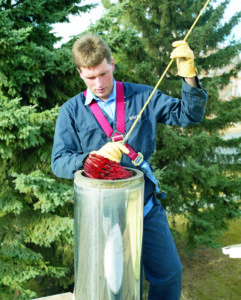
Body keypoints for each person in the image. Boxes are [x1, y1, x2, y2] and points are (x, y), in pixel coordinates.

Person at [51, 32, 207, 300]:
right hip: (102, 216)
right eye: (90, 77)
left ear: (112, 64)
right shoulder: (71, 112)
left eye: (103, 73)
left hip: (145, 207)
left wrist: (189, 76)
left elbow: (189, 115)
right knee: (110, 287)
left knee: (170, 274)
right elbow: (58, 162)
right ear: (80, 73)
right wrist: (90, 159)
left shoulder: (142, 96)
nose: (98, 84)